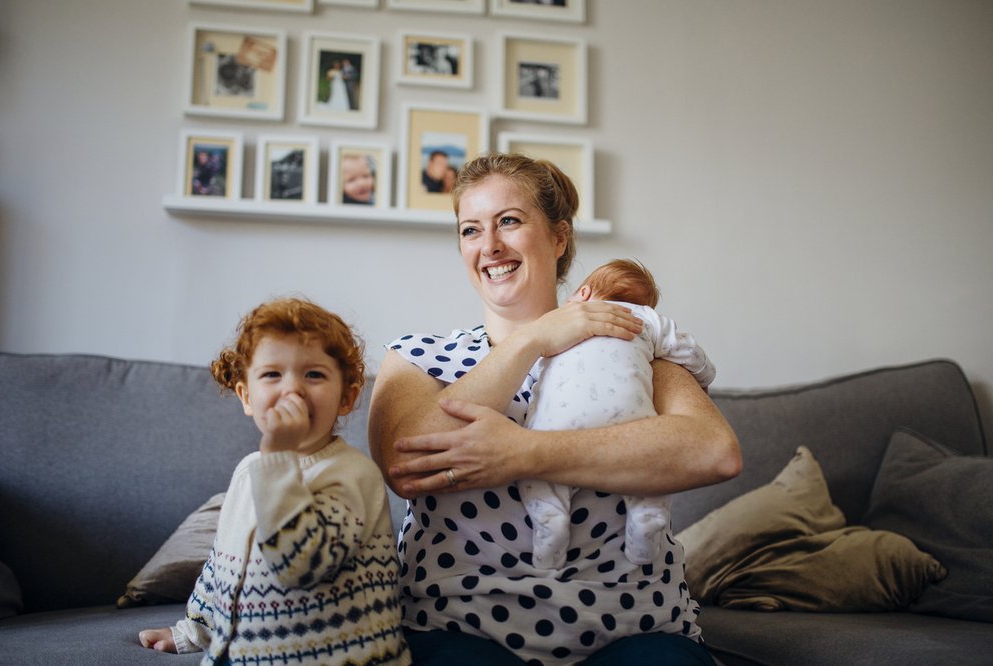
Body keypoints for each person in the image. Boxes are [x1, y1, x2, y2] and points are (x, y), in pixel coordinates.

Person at [368, 152, 741, 665]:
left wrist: (523, 454)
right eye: (470, 230)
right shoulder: (419, 357)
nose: (490, 245)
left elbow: (713, 452)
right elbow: (405, 464)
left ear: (559, 237)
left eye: (509, 222)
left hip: (634, 629)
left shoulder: (624, 336)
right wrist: (534, 338)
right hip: (460, 628)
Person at [139, 297, 409, 665]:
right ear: (247, 397)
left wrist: (278, 458)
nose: (292, 390)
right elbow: (223, 566)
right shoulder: (251, 471)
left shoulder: (352, 475)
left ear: (346, 397)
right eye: (272, 375)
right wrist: (192, 630)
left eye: (313, 375)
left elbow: (301, 563)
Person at [521, 258, 716, 570]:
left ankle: (550, 524)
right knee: (650, 462)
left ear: (582, 293)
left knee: (535, 471)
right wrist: (704, 379)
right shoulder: (647, 320)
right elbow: (689, 351)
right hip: (628, 420)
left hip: (557, 423)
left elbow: (528, 367)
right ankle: (646, 517)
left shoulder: (558, 323)